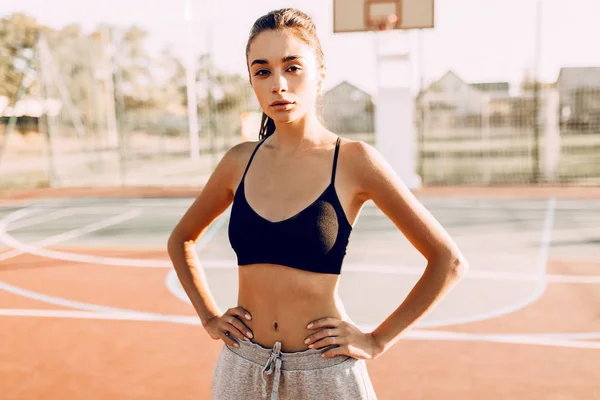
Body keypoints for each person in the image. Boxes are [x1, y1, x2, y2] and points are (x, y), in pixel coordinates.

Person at [167, 8, 468, 400]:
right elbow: (182, 239)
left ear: (320, 73)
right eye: (263, 71)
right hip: (242, 367)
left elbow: (448, 260)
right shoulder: (238, 162)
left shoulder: (355, 161)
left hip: (324, 370)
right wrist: (209, 316)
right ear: (252, 81)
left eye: (292, 67)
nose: (278, 84)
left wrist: (377, 340)